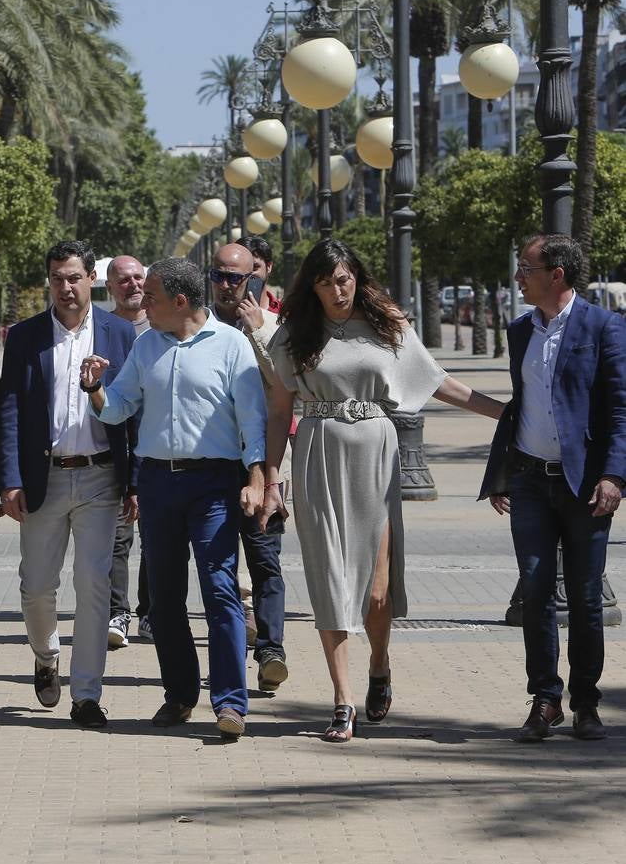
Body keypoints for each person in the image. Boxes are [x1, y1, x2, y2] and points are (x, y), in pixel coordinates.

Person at [259, 239, 503, 743]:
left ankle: (379, 664)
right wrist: (268, 479)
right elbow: (280, 412)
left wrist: (503, 412)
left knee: (375, 591)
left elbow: (437, 381)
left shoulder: (388, 326)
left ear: (358, 277)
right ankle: (342, 700)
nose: (337, 290)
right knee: (328, 578)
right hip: (317, 451)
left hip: (376, 449)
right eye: (326, 283)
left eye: (344, 279)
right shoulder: (292, 335)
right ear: (313, 286)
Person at [84, 257, 266, 739]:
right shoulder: (146, 346)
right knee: (163, 599)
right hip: (159, 484)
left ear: (180, 301)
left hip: (214, 483)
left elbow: (252, 420)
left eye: (154, 298)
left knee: (220, 589)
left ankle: (230, 703)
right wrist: (95, 389)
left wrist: (257, 478)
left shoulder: (231, 346)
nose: (145, 304)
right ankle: (180, 695)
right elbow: (119, 408)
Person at [480, 234, 626, 742]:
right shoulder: (521, 329)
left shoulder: (603, 326)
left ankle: (586, 703)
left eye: (526, 268)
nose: (519, 277)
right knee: (536, 590)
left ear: (556, 275)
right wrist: (503, 475)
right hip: (529, 480)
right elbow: (522, 404)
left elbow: (621, 409)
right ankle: (545, 699)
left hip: (586, 486)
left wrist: (614, 475)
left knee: (585, 598)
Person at [0, 241, 135, 728]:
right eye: (57, 278)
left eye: (74, 277)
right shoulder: (24, 337)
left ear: (91, 278)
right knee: (36, 586)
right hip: (44, 477)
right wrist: (9, 479)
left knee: (94, 585)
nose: (66, 287)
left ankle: (86, 696)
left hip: (101, 476)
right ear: (49, 282)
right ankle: (45, 654)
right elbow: (10, 408)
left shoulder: (120, 335)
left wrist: (133, 483)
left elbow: (134, 411)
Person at [209, 243, 289, 694]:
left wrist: (259, 332)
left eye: (236, 278)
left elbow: (287, 386)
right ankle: (229, 658)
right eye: (219, 276)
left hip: (267, 464)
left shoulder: (277, 327)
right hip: (216, 465)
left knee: (264, 558)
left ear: (253, 280)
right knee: (219, 566)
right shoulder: (197, 327)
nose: (227, 286)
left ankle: (272, 650)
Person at [102, 255, 151, 647]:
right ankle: (118, 611)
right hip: (116, 447)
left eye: (138, 278)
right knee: (118, 536)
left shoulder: (165, 326)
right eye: (124, 280)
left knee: (157, 536)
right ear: (109, 287)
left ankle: (151, 612)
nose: (132, 285)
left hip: (156, 448)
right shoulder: (105, 331)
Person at [237, 234, 281, 313]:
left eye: (254, 267)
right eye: (241, 268)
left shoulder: (284, 314)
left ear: (269, 267)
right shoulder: (224, 316)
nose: (247, 275)